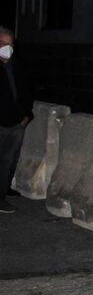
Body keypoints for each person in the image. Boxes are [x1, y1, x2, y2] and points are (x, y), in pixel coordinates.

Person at [0, 26, 34, 214]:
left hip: (17, 122)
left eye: (10, 44)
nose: (8, 48)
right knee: (3, 161)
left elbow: (27, 91)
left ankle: (5, 188)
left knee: (11, 159)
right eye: (3, 44)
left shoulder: (16, 66)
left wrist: (26, 116)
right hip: (2, 123)